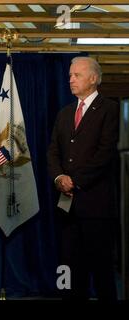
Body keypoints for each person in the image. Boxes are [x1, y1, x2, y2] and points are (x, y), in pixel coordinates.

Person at [47, 57, 119, 300]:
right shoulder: (65, 113)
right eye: (69, 75)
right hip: (66, 207)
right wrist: (59, 177)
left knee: (101, 269)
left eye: (76, 75)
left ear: (93, 78)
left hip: (96, 206)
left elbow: (105, 153)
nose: (70, 79)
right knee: (68, 267)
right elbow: (53, 151)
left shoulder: (110, 109)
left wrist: (74, 181)